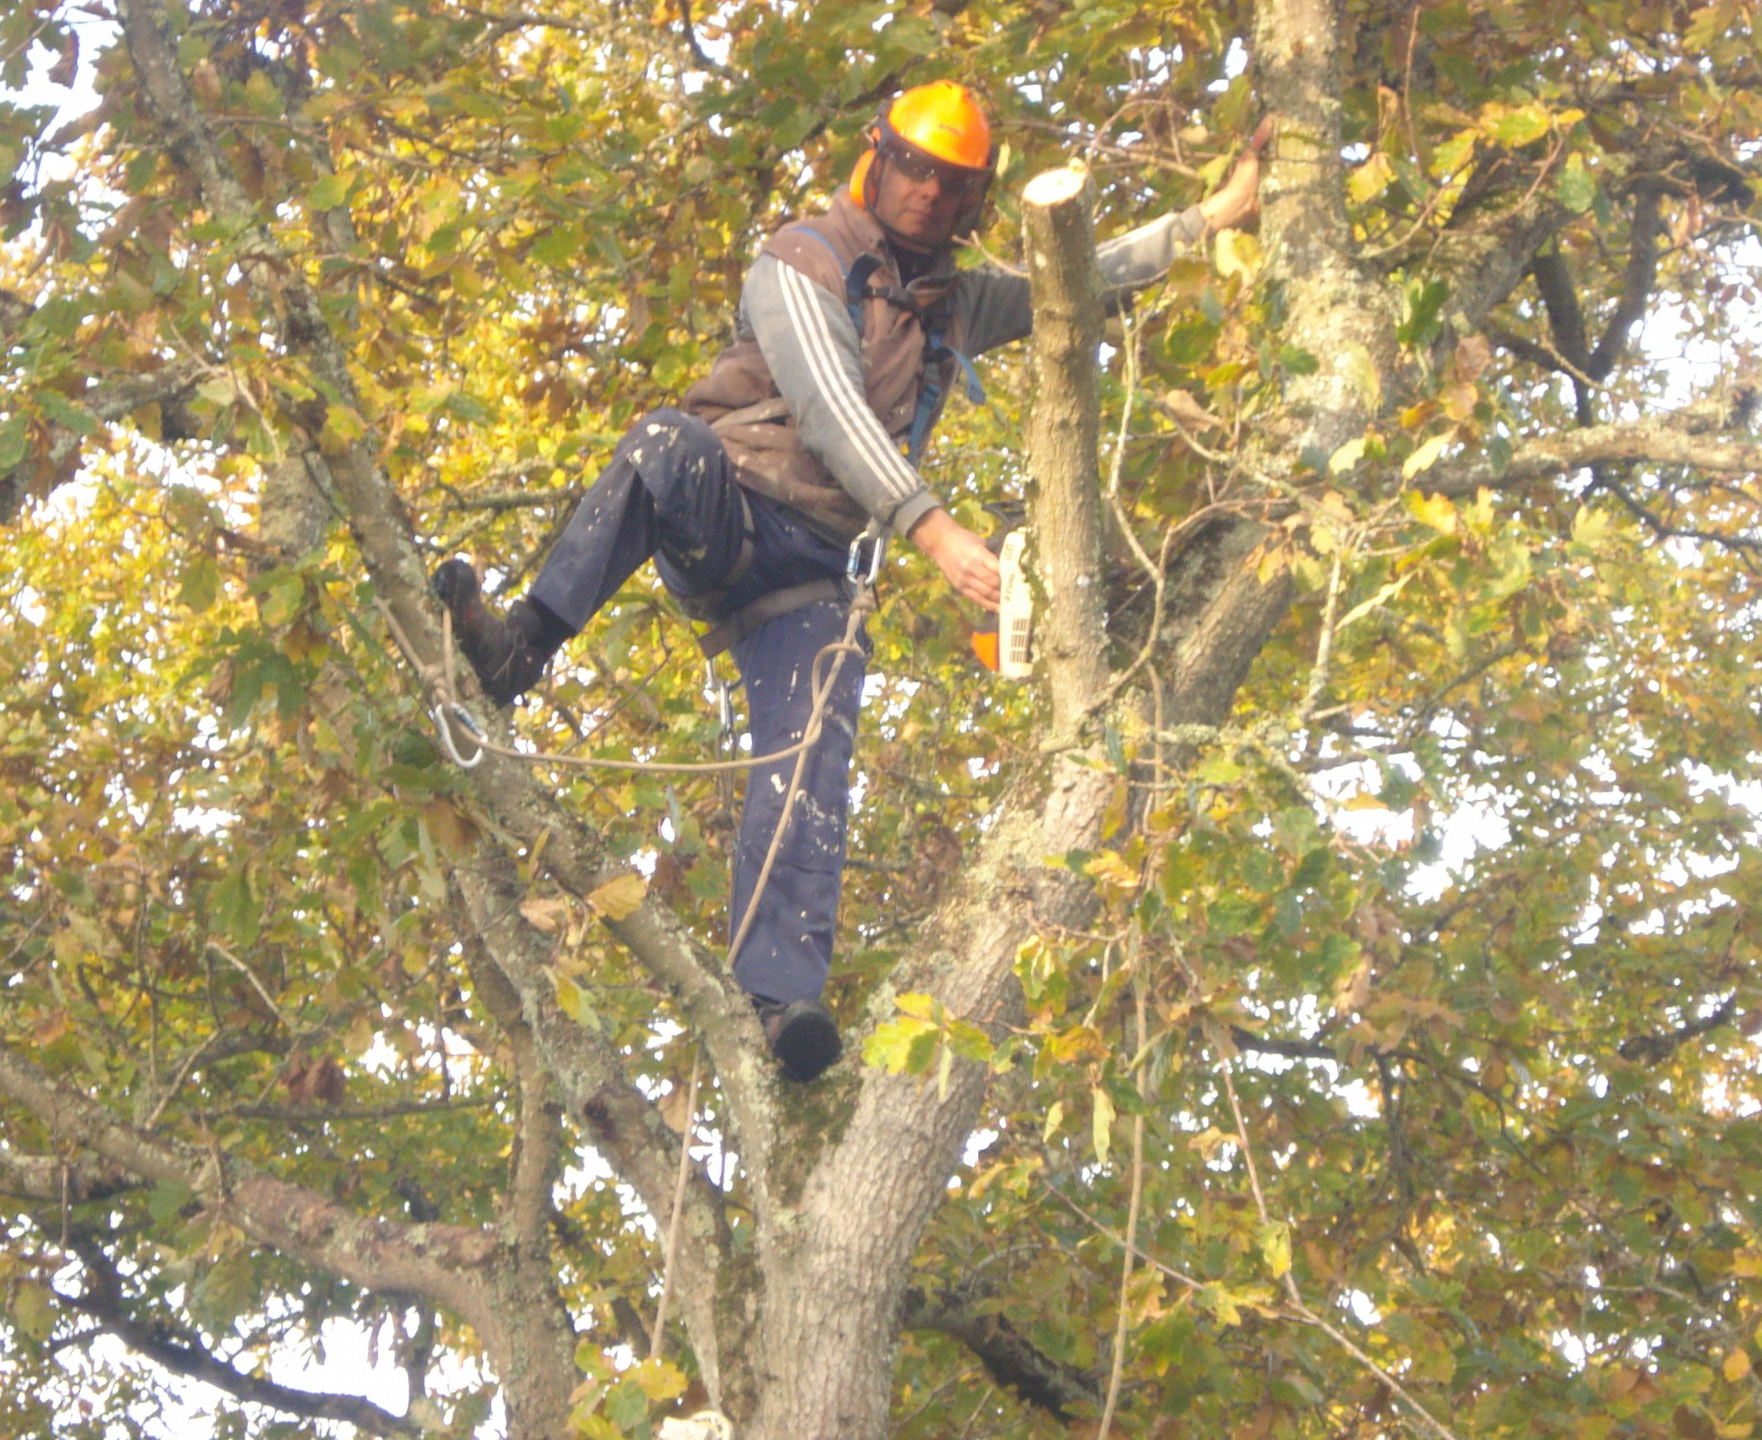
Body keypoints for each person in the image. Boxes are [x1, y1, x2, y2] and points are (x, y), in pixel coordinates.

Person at [434, 83, 1266, 1082]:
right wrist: (931, 525)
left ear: (973, 201)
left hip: (815, 575)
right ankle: (522, 642)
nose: (926, 194)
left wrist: (1214, 214)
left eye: (952, 184)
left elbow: (1082, 282)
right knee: (663, 442)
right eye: (914, 168)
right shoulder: (803, 258)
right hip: (729, 508)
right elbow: (828, 404)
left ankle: (778, 1003)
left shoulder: (953, 302)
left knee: (809, 764)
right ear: (878, 158)